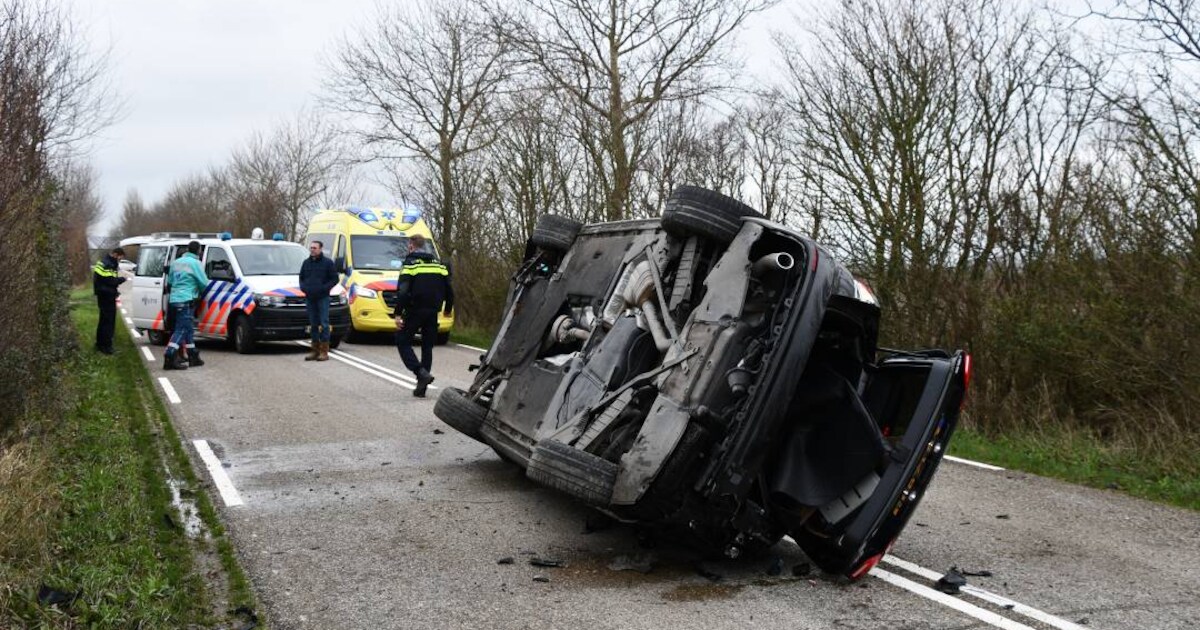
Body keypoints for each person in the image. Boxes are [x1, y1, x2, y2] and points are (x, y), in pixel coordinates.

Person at [393, 234, 454, 397]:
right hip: (433, 312)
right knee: (427, 347)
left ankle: (420, 373)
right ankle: (422, 388)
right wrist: (448, 308)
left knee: (402, 341)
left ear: (411, 246)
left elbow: (403, 292)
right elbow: (449, 289)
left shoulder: (410, 264)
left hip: (414, 310)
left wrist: (398, 313)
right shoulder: (439, 265)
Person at [164, 241, 208, 370]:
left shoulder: (176, 262)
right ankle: (169, 355)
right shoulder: (196, 263)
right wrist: (198, 293)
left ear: (188, 249)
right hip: (187, 298)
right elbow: (203, 282)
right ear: (199, 251)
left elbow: (171, 281)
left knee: (188, 328)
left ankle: (192, 355)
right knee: (182, 329)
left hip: (174, 299)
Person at [300, 240, 338, 361]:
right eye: (311, 248)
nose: (312, 250)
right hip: (310, 297)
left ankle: (324, 352)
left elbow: (334, 279)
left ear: (320, 249)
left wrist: (324, 289)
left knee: (324, 323)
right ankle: (314, 350)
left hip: (323, 297)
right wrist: (304, 288)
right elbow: (301, 278)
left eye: (315, 248)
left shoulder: (327, 263)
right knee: (313, 324)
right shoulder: (306, 263)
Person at [92, 247, 127, 354]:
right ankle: (107, 348)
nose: (119, 260)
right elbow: (110, 281)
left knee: (103, 321)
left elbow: (101, 280)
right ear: (116, 254)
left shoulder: (102, 262)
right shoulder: (109, 264)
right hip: (107, 297)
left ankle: (99, 344)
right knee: (108, 322)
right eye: (120, 258)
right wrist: (122, 279)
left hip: (103, 295)